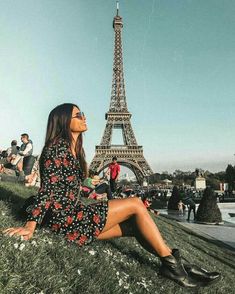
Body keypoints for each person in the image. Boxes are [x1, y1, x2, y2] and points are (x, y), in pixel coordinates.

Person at [3, 103, 220, 288]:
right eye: (78, 115)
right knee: (136, 204)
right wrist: (31, 225)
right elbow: (47, 191)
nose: (84, 117)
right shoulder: (55, 149)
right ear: (63, 121)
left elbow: (70, 186)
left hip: (73, 217)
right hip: (66, 219)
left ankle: (178, 265)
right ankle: (175, 267)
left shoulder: (74, 150)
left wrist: (93, 189)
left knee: (136, 226)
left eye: (82, 114)